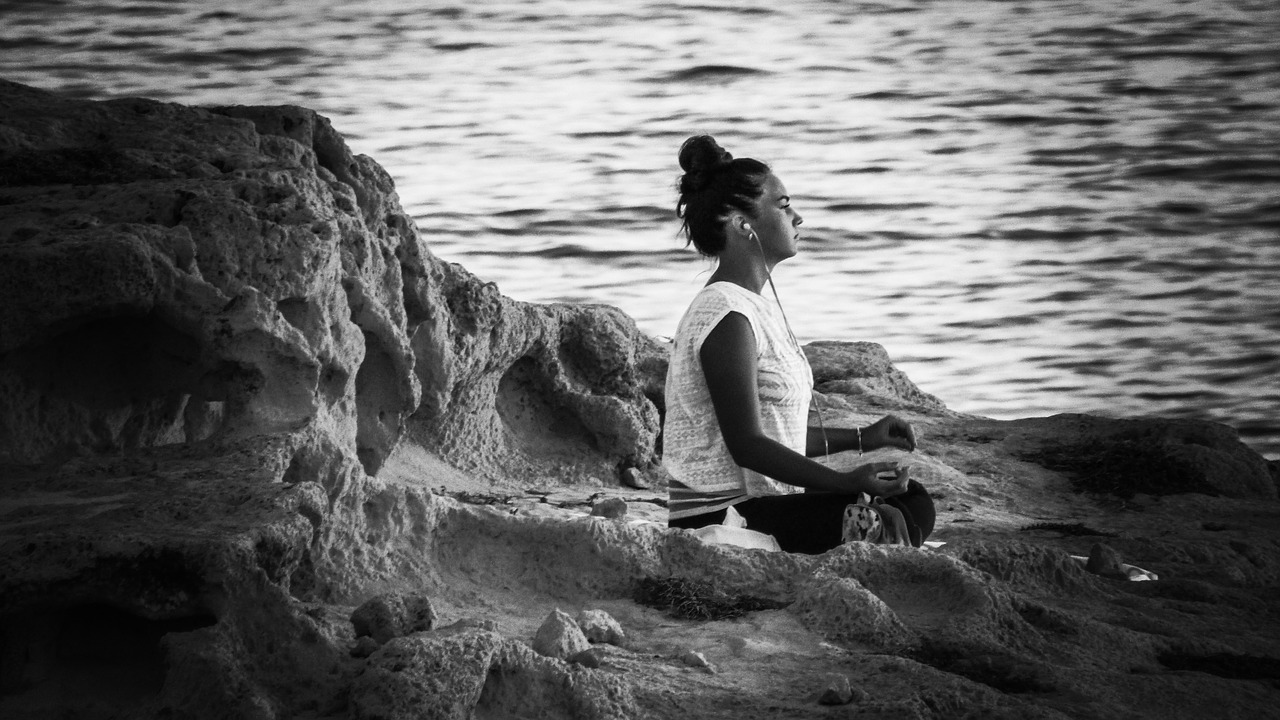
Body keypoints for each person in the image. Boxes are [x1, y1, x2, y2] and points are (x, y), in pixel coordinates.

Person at [663, 134, 935, 554]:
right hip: (721, 514)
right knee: (876, 514)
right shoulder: (725, 317)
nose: (799, 218)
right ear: (742, 224)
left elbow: (779, 435)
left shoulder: (754, 306)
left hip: (771, 501)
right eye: (784, 205)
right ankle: (885, 541)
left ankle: (886, 537)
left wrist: (863, 437)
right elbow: (748, 444)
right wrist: (847, 482)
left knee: (912, 498)